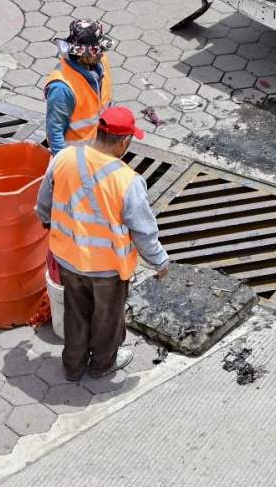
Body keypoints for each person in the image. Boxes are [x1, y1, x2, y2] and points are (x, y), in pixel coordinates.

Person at [36, 106, 169, 381]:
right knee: (107, 318)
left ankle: (72, 366)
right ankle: (101, 365)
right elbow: (143, 232)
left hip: (68, 259)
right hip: (107, 268)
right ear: (124, 142)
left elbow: (44, 202)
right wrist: (160, 262)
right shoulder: (128, 181)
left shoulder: (64, 157)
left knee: (75, 312)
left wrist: (48, 222)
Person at [43, 20, 115, 154]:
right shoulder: (61, 88)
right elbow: (55, 132)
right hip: (73, 156)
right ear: (81, 54)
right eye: (96, 51)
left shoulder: (101, 61)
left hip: (96, 148)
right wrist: (65, 165)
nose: (101, 53)